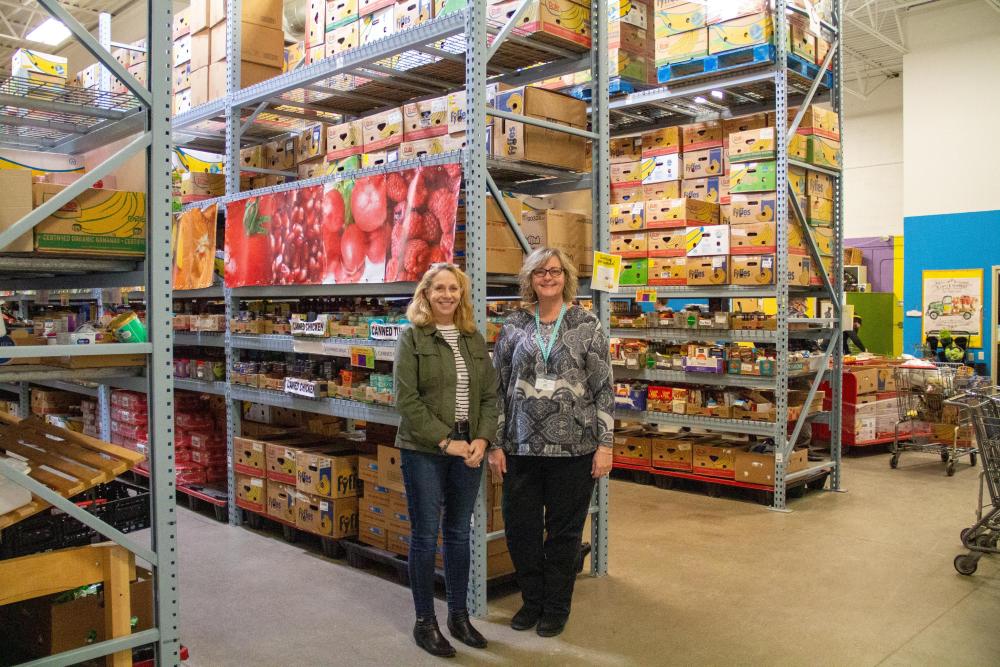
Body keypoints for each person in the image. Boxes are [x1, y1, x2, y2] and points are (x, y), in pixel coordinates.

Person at [489, 247, 614, 638]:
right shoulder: (513, 325)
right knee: (521, 529)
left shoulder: (587, 324)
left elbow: (605, 388)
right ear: (529, 278)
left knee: (563, 533)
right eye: (540, 272)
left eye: (555, 271)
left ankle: (556, 607)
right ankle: (532, 600)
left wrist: (606, 444)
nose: (548, 277)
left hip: (575, 450)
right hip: (520, 448)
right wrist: (495, 443)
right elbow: (496, 387)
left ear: (566, 278)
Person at [393, 263, 498, 658]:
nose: (447, 295)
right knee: (424, 535)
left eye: (454, 289)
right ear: (426, 293)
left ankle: (458, 616)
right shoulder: (412, 337)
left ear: (461, 295)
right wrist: (444, 440)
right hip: (425, 449)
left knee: (457, 532)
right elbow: (407, 400)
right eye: (439, 288)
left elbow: (490, 395)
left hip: (468, 447)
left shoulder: (473, 338)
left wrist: (482, 439)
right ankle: (425, 623)